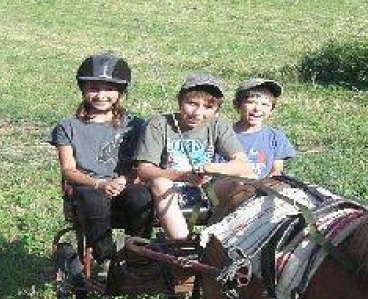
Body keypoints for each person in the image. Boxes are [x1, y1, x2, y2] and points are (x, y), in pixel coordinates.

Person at [48, 52, 153, 266]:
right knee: (93, 200)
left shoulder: (135, 125)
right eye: (94, 88)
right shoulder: (68, 127)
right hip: (89, 187)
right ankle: (105, 257)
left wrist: (125, 179)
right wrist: (100, 184)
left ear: (121, 92)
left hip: (124, 184)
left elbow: (142, 163)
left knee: (141, 196)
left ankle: (137, 254)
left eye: (109, 89)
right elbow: (69, 170)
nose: (101, 95)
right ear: (83, 89)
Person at [133, 74, 252, 241]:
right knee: (160, 183)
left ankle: (222, 239)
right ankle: (183, 243)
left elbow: (243, 164)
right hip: (169, 191)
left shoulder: (218, 125)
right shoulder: (159, 123)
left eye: (208, 107)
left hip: (207, 190)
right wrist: (184, 176)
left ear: (216, 110)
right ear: (180, 101)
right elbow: (144, 170)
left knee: (243, 180)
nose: (198, 113)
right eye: (192, 104)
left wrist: (213, 169)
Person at [230, 78, 296, 179]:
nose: (257, 108)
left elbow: (276, 171)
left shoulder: (276, 137)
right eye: (251, 102)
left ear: (271, 110)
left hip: (262, 187)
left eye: (264, 104)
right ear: (236, 105)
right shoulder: (223, 134)